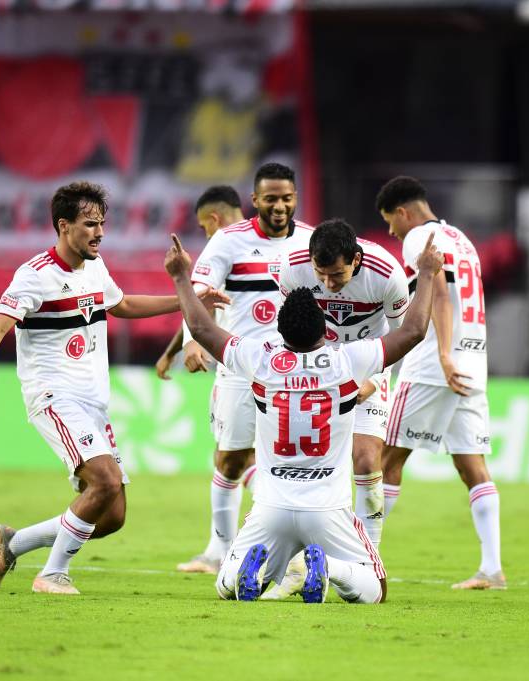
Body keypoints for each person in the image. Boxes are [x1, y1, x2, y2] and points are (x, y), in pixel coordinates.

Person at [0, 181, 227, 595]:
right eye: (90, 224)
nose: (99, 232)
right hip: (54, 397)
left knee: (112, 516)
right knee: (106, 481)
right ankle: (53, 574)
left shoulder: (94, 266)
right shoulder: (34, 276)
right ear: (64, 226)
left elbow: (123, 305)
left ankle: (15, 542)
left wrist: (189, 300)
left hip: (94, 402)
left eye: (102, 224)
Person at [163, 227, 443, 603]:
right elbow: (412, 332)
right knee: (375, 591)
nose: (328, 284)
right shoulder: (347, 363)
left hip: (270, 506)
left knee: (225, 585)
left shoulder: (259, 361)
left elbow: (201, 326)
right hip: (326, 509)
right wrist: (426, 274)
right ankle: (331, 567)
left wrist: (181, 276)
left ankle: (250, 570)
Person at [259, 219, 409, 600]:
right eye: (321, 275)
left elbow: (404, 338)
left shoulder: (387, 274)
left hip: (368, 372)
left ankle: (366, 557)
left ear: (356, 260)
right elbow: (289, 329)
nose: (328, 283)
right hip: (314, 373)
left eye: (338, 274)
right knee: (298, 464)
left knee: (365, 459)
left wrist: (373, 382)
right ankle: (294, 566)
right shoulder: (292, 268)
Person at [175, 163, 313, 574]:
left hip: (296, 371)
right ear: (255, 200)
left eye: (287, 198)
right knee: (231, 461)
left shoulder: (310, 240)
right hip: (240, 366)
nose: (280, 206)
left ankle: (292, 554)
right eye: (271, 198)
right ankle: (223, 550)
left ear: (295, 198)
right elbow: (197, 292)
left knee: (290, 463)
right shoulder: (227, 242)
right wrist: (190, 341)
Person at [375, 176, 504, 591]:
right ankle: (491, 568)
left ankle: (358, 553)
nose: (393, 233)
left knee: (385, 461)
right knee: (472, 465)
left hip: (434, 363)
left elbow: (442, 295)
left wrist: (444, 354)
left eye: (391, 224)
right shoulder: (462, 239)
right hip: (474, 359)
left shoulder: (418, 238)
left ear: (402, 213)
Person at [154, 185, 245, 380]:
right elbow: (199, 305)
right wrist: (171, 352)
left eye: (204, 227)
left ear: (215, 219)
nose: (206, 235)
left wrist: (188, 344)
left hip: (234, 367)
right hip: (275, 364)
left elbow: (196, 303)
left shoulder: (220, 249)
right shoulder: (268, 244)